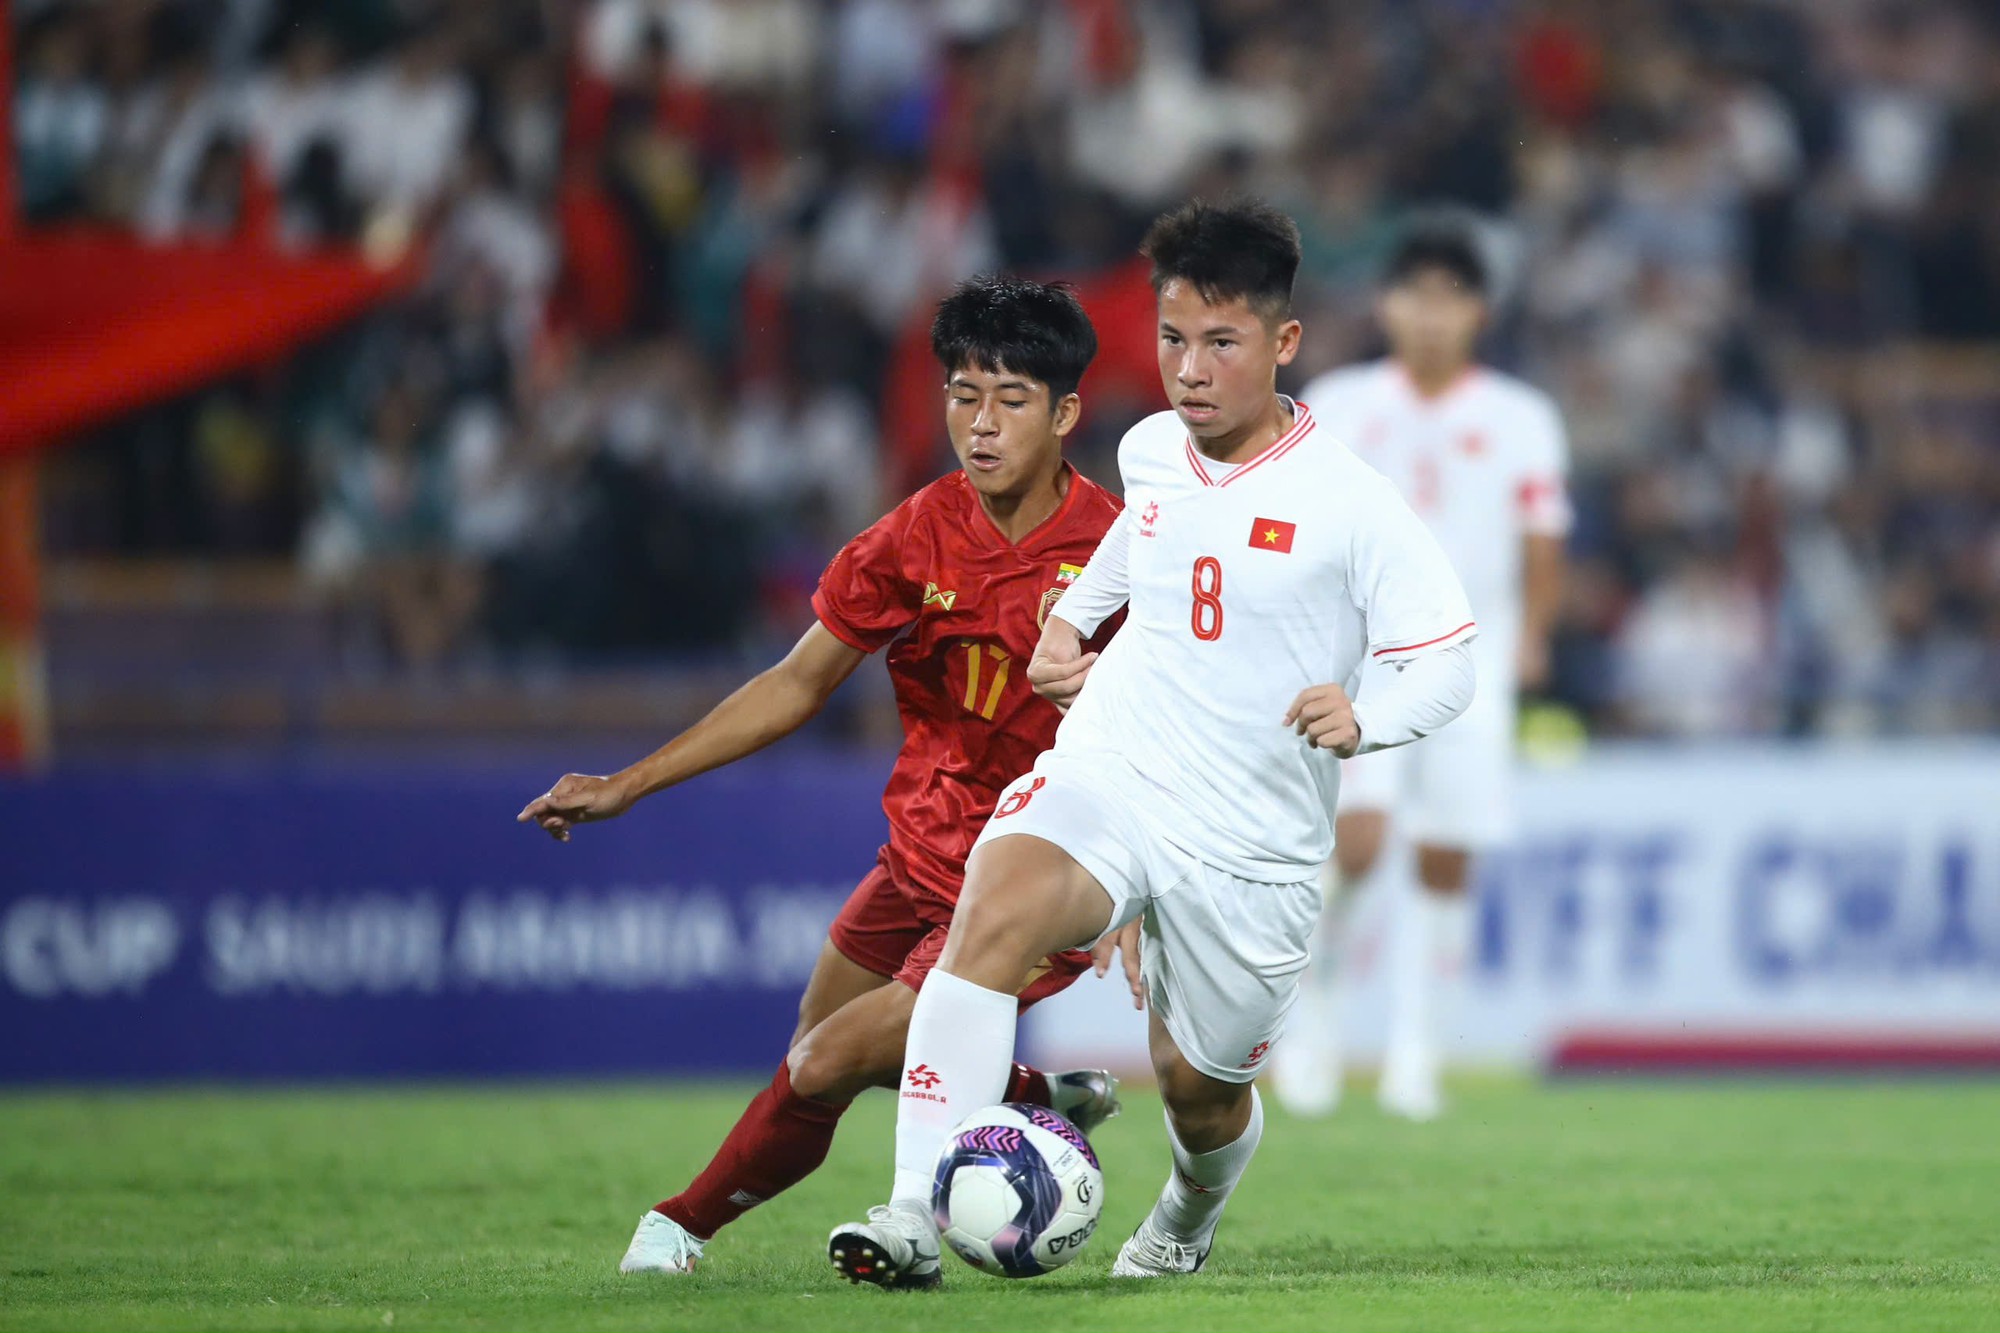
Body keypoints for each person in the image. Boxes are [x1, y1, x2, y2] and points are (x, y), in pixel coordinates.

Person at [825, 198, 1478, 1287]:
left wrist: (1371, 720)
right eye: (1173, 338)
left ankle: (1185, 1208)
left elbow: (1447, 658)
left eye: (1220, 343)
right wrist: (1071, 623)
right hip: (1117, 769)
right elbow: (1145, 543)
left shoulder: (1351, 502)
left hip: (1254, 838)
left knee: (1198, 1085)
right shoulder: (1150, 450)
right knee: (990, 911)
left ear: (1282, 343)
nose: (1188, 367)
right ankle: (906, 1210)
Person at [518, 275, 1130, 1276]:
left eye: (1009, 400)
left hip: (1033, 875)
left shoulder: (1117, 549)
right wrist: (629, 783)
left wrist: (1139, 876)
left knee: (826, 1057)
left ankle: (689, 1225)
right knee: (815, 1056)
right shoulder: (910, 537)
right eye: (961, 394)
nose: (978, 424)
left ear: (1063, 413)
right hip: (917, 855)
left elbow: (1162, 719)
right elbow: (796, 684)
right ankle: (1023, 1095)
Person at [1278, 220, 1571, 1122]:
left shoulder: (1520, 416)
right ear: (1386, 305)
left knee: (1446, 856)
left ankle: (1415, 1051)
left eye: (1452, 297)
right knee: (1357, 842)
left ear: (1478, 312)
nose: (1432, 315)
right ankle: (1311, 1021)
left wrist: (1535, 635)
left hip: (1474, 658)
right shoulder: (1341, 400)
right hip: (1365, 654)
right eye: (1416, 295)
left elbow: (1542, 535)